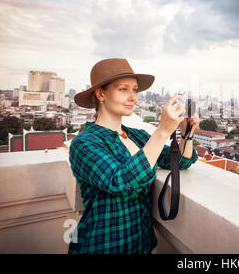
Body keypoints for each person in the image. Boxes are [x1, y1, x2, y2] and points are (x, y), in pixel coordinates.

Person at [68, 58, 199, 254]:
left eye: (135, 90)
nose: (134, 98)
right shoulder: (84, 144)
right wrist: (162, 130)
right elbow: (121, 182)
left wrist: (186, 132)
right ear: (101, 93)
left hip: (141, 245)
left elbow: (180, 161)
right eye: (123, 89)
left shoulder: (137, 136)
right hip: (102, 246)